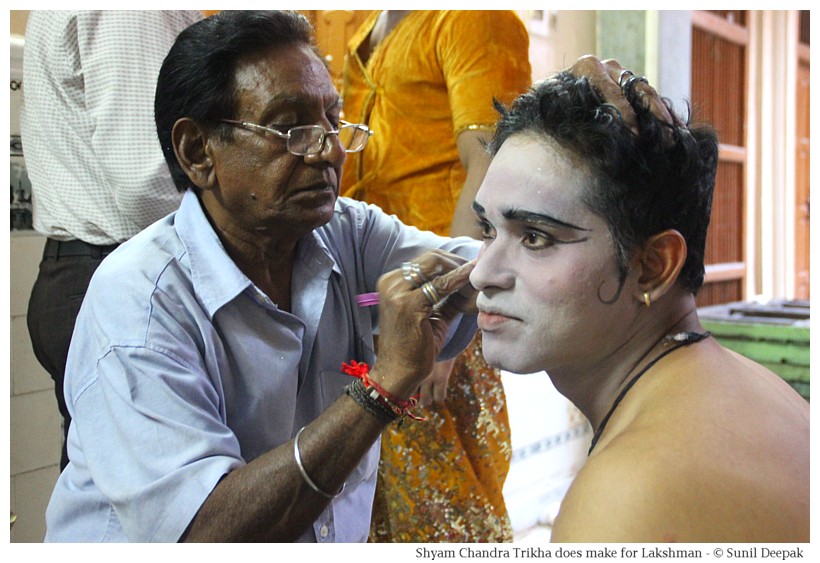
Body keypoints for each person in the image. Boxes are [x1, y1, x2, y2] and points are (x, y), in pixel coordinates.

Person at [43, 10, 483, 543]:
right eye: (291, 128)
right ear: (197, 153)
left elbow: (484, 267)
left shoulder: (346, 232)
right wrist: (380, 388)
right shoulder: (140, 301)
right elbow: (205, 533)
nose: (329, 149)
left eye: (332, 121)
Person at [468, 58, 810, 542]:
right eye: (487, 229)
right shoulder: (754, 388)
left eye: (536, 238)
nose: (483, 272)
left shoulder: (626, 495)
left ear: (653, 266)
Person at [340, 10, 531, 542]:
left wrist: (443, 317)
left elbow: (491, 165)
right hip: (371, 297)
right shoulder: (360, 30)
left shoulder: (470, 18)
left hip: (440, 299)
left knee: (445, 507)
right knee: (370, 501)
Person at [20, 10, 204, 470]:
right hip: (123, 271)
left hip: (89, 268)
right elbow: (148, 179)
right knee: (140, 505)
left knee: (108, 491)